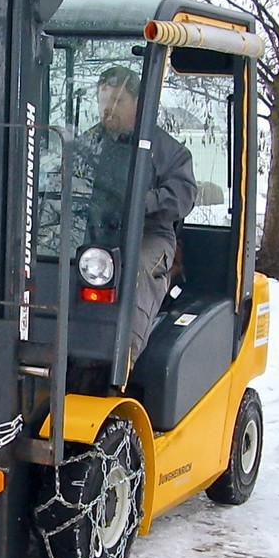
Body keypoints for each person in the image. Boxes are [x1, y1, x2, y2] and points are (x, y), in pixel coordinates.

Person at [78, 65, 197, 363]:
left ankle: (121, 360)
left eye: (119, 102)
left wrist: (148, 201)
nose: (109, 109)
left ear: (138, 104)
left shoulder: (164, 148)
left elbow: (184, 195)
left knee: (136, 270)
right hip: (94, 230)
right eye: (104, 100)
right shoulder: (87, 144)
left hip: (149, 234)